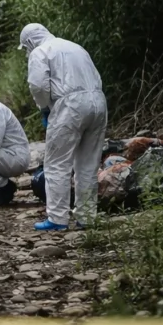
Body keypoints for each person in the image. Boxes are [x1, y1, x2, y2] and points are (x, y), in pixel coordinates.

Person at [19, 23, 109, 231]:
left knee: (57, 163)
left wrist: (44, 108)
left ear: (30, 42)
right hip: (97, 101)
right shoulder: (75, 46)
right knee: (88, 164)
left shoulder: (40, 51)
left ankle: (57, 219)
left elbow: (39, 85)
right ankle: (87, 217)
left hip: (70, 105)